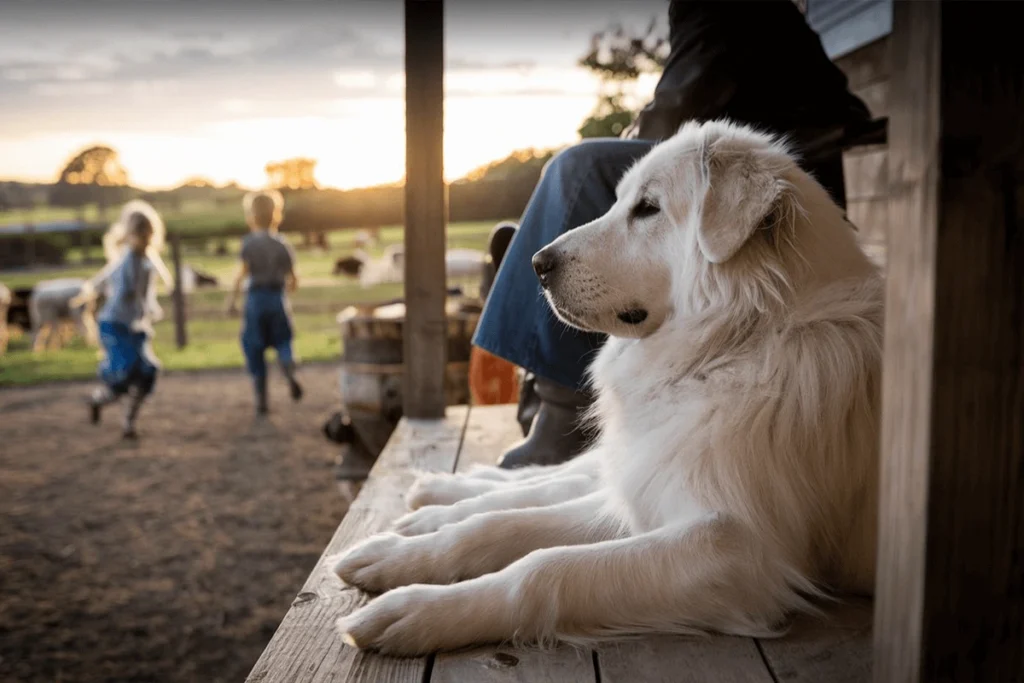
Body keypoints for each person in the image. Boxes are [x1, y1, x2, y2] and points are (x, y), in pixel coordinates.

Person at [473, 0, 873, 469]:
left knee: (576, 171)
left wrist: (636, 135)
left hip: (765, 196)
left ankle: (559, 411)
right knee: (582, 184)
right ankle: (545, 390)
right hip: (754, 183)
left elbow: (677, 114)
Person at [85, 201, 172, 438]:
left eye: (147, 234)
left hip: (134, 327)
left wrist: (149, 309)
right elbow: (111, 283)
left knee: (147, 372)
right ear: (129, 234)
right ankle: (99, 393)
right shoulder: (126, 260)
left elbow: (149, 292)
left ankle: (128, 423)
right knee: (124, 374)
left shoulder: (149, 260)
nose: (143, 239)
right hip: (114, 325)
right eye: (139, 234)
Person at [226, 190, 303, 415]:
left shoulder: (249, 244)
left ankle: (261, 400)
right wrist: (284, 289)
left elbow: (241, 275)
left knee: (254, 346)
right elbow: (294, 280)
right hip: (277, 298)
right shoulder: (282, 244)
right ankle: (288, 368)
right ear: (276, 215)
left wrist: (232, 300)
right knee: (283, 340)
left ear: (251, 216)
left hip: (255, 300)